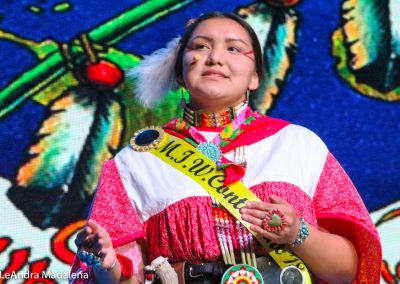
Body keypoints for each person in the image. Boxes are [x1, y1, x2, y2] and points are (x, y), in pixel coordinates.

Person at [70, 12, 381, 284]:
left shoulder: (298, 144)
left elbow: (348, 270)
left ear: (255, 77)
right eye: (200, 46)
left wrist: (297, 233)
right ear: (180, 70)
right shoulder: (135, 162)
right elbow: (124, 276)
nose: (215, 57)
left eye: (233, 48)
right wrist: (106, 266)